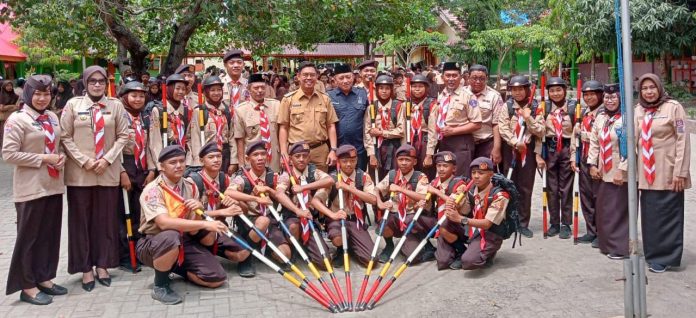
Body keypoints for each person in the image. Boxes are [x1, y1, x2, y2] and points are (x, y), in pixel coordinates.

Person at [60, 65, 130, 291]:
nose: (97, 85)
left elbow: (123, 136)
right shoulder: (73, 105)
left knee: (105, 221)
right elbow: (65, 136)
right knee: (81, 222)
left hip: (107, 172)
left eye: (101, 81)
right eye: (93, 81)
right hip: (81, 174)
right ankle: (85, 268)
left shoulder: (115, 106)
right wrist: (85, 161)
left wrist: (107, 159)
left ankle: (103, 264)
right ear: (85, 83)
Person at [137, 145, 236, 305]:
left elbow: (194, 225)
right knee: (171, 235)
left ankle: (175, 266)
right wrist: (207, 223)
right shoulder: (153, 189)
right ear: (161, 167)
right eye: (173, 162)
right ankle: (160, 286)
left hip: (183, 241)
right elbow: (163, 223)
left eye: (182, 161)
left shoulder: (190, 186)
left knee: (216, 278)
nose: (178, 165)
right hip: (154, 241)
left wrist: (199, 210)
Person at [3, 75, 67, 305]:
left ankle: (45, 278)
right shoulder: (17, 119)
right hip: (30, 187)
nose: (42, 98)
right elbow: (8, 154)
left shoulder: (51, 116)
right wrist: (44, 158)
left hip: (53, 185)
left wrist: (60, 158)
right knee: (29, 239)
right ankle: (27, 286)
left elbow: (57, 144)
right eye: (37, 94)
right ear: (29, 94)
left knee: (49, 236)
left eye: (46, 94)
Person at [634, 73, 691, 273]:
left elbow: (683, 140)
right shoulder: (638, 110)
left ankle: (667, 256)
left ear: (659, 88)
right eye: (644, 88)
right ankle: (652, 254)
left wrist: (680, 172)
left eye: (652, 87)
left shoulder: (673, 108)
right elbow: (633, 140)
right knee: (650, 216)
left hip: (668, 171)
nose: (649, 92)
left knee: (669, 214)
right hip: (646, 172)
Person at [186, 142, 253, 275]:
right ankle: (201, 253)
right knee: (208, 236)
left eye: (219, 156)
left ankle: (216, 251)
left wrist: (236, 203)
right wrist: (222, 211)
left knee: (244, 252)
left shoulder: (226, 179)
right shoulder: (192, 181)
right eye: (211, 157)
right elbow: (188, 215)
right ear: (201, 160)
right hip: (198, 228)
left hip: (219, 227)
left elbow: (243, 211)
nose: (216, 160)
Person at [226, 141, 287, 276]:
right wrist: (256, 198)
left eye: (263, 154)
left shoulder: (274, 176)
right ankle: (246, 259)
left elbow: (281, 192)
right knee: (261, 221)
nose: (260, 158)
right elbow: (228, 193)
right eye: (255, 155)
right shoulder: (242, 178)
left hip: (271, 220)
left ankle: (264, 249)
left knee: (285, 255)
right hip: (250, 220)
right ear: (248, 159)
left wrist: (268, 189)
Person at [312, 144, 377, 267]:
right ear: (338, 162)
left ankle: (353, 244)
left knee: (371, 261)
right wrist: (332, 215)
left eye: (352, 161)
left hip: (356, 220)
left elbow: (373, 200)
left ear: (357, 160)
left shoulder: (362, 176)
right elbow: (315, 201)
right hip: (337, 219)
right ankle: (341, 249)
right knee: (337, 237)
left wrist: (349, 188)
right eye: (344, 161)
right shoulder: (332, 178)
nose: (348, 164)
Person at [274, 141, 335, 269]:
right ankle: (294, 248)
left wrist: (304, 187)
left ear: (309, 157)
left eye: (304, 156)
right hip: (293, 217)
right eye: (297, 156)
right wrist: (297, 211)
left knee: (325, 263)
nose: (301, 159)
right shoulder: (287, 174)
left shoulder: (313, 172)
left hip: (310, 220)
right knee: (293, 226)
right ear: (290, 159)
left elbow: (330, 180)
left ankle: (309, 246)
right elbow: (279, 194)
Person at [497, 75, 545, 238]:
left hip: (528, 151)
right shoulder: (508, 106)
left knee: (525, 187)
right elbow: (502, 127)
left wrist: (527, 117)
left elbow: (540, 130)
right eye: (514, 89)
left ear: (527, 90)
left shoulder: (536, 106)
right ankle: (509, 221)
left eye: (520, 89)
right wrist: (514, 141)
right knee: (508, 185)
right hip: (510, 149)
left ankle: (523, 223)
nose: (517, 93)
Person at [117, 81, 157, 272]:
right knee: (125, 215)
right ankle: (125, 255)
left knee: (140, 214)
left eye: (141, 96)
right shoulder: (119, 117)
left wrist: (151, 170)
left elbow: (150, 146)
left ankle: (140, 252)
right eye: (133, 95)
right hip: (126, 167)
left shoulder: (145, 117)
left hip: (143, 169)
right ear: (125, 97)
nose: (138, 99)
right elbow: (113, 148)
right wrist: (121, 172)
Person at [445, 157, 510, 270]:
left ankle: (489, 251)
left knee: (469, 262)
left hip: (490, 233)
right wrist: (455, 203)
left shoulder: (500, 196)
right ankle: (464, 251)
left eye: (480, 173)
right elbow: (465, 211)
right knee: (445, 225)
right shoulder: (471, 191)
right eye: (473, 173)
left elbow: (487, 224)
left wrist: (460, 218)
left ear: (490, 175)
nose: (475, 176)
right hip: (474, 229)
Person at [587, 84, 628, 259]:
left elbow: (631, 146)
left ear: (620, 99)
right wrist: (592, 165)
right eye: (607, 98)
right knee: (605, 209)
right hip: (604, 171)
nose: (609, 101)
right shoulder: (601, 118)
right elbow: (594, 143)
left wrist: (622, 170)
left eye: (613, 98)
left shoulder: (627, 118)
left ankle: (620, 248)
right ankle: (607, 244)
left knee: (619, 210)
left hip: (620, 172)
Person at [278, 62, 339, 172]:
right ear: (298, 77)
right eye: (305, 75)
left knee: (322, 185)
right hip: (296, 152)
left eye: (312, 75)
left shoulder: (325, 99)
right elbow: (283, 127)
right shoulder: (288, 100)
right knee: (296, 186)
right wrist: (283, 152)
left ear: (317, 77)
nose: (309, 78)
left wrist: (333, 149)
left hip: (320, 152)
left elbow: (331, 126)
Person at [374, 144, 431, 264]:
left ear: (415, 161)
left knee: (412, 258)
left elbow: (423, 197)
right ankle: (389, 246)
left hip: (411, 217)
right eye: (400, 160)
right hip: (395, 215)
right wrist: (380, 203)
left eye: (407, 160)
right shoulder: (392, 175)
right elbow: (376, 189)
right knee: (384, 223)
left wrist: (401, 189)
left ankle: (422, 243)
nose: (404, 163)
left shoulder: (420, 177)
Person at [425, 62, 482, 177]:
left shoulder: (468, 96)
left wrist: (454, 131)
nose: (451, 79)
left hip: (461, 143)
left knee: (460, 178)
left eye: (454, 75)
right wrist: (429, 153)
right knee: (444, 177)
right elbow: (434, 124)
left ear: (460, 77)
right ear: (442, 77)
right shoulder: (442, 95)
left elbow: (477, 124)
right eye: (448, 75)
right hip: (443, 143)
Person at [540, 77, 576, 239]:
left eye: (559, 90)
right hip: (550, 149)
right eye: (552, 90)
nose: (555, 93)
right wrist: (539, 155)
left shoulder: (573, 107)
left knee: (566, 188)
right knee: (551, 187)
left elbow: (577, 132)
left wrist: (575, 155)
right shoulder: (545, 107)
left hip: (567, 148)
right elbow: (539, 132)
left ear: (565, 90)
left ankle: (566, 223)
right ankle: (554, 222)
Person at [571, 80, 604, 247]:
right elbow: (574, 138)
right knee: (586, 196)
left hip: (598, 160)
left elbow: (599, 136)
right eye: (586, 95)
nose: (589, 97)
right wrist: (572, 157)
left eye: (593, 94)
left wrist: (583, 133)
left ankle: (601, 232)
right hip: (583, 157)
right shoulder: (583, 113)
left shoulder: (604, 113)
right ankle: (591, 231)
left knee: (599, 197)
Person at [429, 152, 469, 270]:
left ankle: (462, 250)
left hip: (457, 224)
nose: (441, 169)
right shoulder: (434, 183)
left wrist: (437, 192)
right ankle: (429, 248)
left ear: (454, 168)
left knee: (444, 227)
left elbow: (454, 203)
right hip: (441, 223)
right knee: (442, 263)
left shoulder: (459, 184)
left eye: (445, 166)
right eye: (439, 165)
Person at [190, 76, 238, 174]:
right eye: (212, 90)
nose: (216, 93)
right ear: (206, 92)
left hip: (225, 155)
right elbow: (195, 139)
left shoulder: (227, 110)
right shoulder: (199, 111)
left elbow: (232, 136)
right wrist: (199, 162)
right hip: (208, 154)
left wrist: (234, 161)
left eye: (219, 90)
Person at [235, 73, 281, 171]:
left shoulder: (276, 105)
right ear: (249, 89)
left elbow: (282, 132)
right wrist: (241, 164)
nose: (260, 91)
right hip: (253, 159)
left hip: (274, 158)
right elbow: (240, 139)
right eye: (256, 88)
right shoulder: (241, 110)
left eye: (262, 87)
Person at [328, 64, 369, 171]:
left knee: (359, 179)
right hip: (337, 149)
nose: (345, 81)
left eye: (348, 77)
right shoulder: (328, 96)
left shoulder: (362, 94)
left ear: (353, 77)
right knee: (338, 182)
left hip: (359, 149)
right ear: (335, 80)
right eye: (341, 78)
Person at [147, 74, 195, 166]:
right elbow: (155, 142)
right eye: (177, 88)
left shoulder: (186, 110)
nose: (181, 92)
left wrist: (188, 162)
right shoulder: (159, 110)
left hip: (183, 160)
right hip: (165, 160)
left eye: (183, 89)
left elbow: (188, 138)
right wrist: (160, 166)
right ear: (169, 89)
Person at [364, 74, 404, 180]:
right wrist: (371, 154)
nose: (384, 91)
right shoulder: (372, 107)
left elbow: (401, 131)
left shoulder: (399, 106)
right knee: (376, 177)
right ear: (376, 90)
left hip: (393, 147)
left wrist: (382, 133)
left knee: (393, 176)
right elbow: (367, 132)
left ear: (391, 90)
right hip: (376, 147)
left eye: (387, 88)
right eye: (381, 88)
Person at [465, 65, 504, 166]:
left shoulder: (494, 96)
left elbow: (497, 124)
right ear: (468, 77)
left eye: (482, 78)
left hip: (486, 144)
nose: (478, 81)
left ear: (487, 78)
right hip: (465, 144)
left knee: (484, 175)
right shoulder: (461, 93)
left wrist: (496, 148)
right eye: (474, 78)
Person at [405, 74, 437, 179]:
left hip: (425, 141)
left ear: (426, 88)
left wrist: (429, 154)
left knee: (426, 171)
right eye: (414, 86)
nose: (417, 89)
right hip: (409, 140)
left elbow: (433, 131)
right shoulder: (406, 104)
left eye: (420, 86)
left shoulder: (432, 104)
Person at [0, 80, 20, 147]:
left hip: (13, 118)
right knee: (4, 133)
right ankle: (4, 147)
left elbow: (17, 107)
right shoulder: (1, 95)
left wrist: (7, 107)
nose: (9, 87)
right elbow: (1, 108)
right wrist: (11, 106)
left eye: (10, 85)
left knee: (13, 133)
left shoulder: (15, 96)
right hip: (4, 119)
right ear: (4, 87)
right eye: (7, 86)